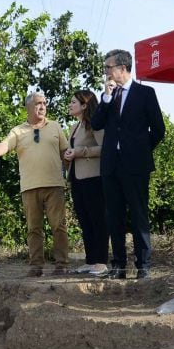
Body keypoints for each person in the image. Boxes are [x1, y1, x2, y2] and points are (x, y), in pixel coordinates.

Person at [91, 49, 165, 280]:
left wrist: (140, 151)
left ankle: (143, 265)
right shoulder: (109, 97)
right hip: (111, 165)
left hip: (135, 165)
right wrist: (105, 98)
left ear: (123, 68)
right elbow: (96, 124)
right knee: (114, 216)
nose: (106, 72)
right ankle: (119, 266)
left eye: (108, 67)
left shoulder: (145, 93)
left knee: (139, 215)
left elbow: (158, 129)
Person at [0, 92, 70, 276]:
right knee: (33, 228)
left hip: (54, 185)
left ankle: (62, 264)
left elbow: (66, 153)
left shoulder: (55, 126)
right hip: (29, 187)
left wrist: (70, 175)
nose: (43, 106)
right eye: (38, 103)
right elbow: (5, 145)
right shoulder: (18, 130)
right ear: (28, 107)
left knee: (59, 226)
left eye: (45, 103)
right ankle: (36, 266)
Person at [63, 90, 109, 276]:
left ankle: (101, 262)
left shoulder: (95, 125)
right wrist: (68, 154)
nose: (70, 105)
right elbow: (72, 149)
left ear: (84, 105)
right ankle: (90, 261)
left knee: (98, 220)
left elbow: (104, 148)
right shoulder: (74, 126)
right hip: (76, 177)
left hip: (93, 178)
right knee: (85, 220)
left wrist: (80, 152)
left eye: (73, 102)